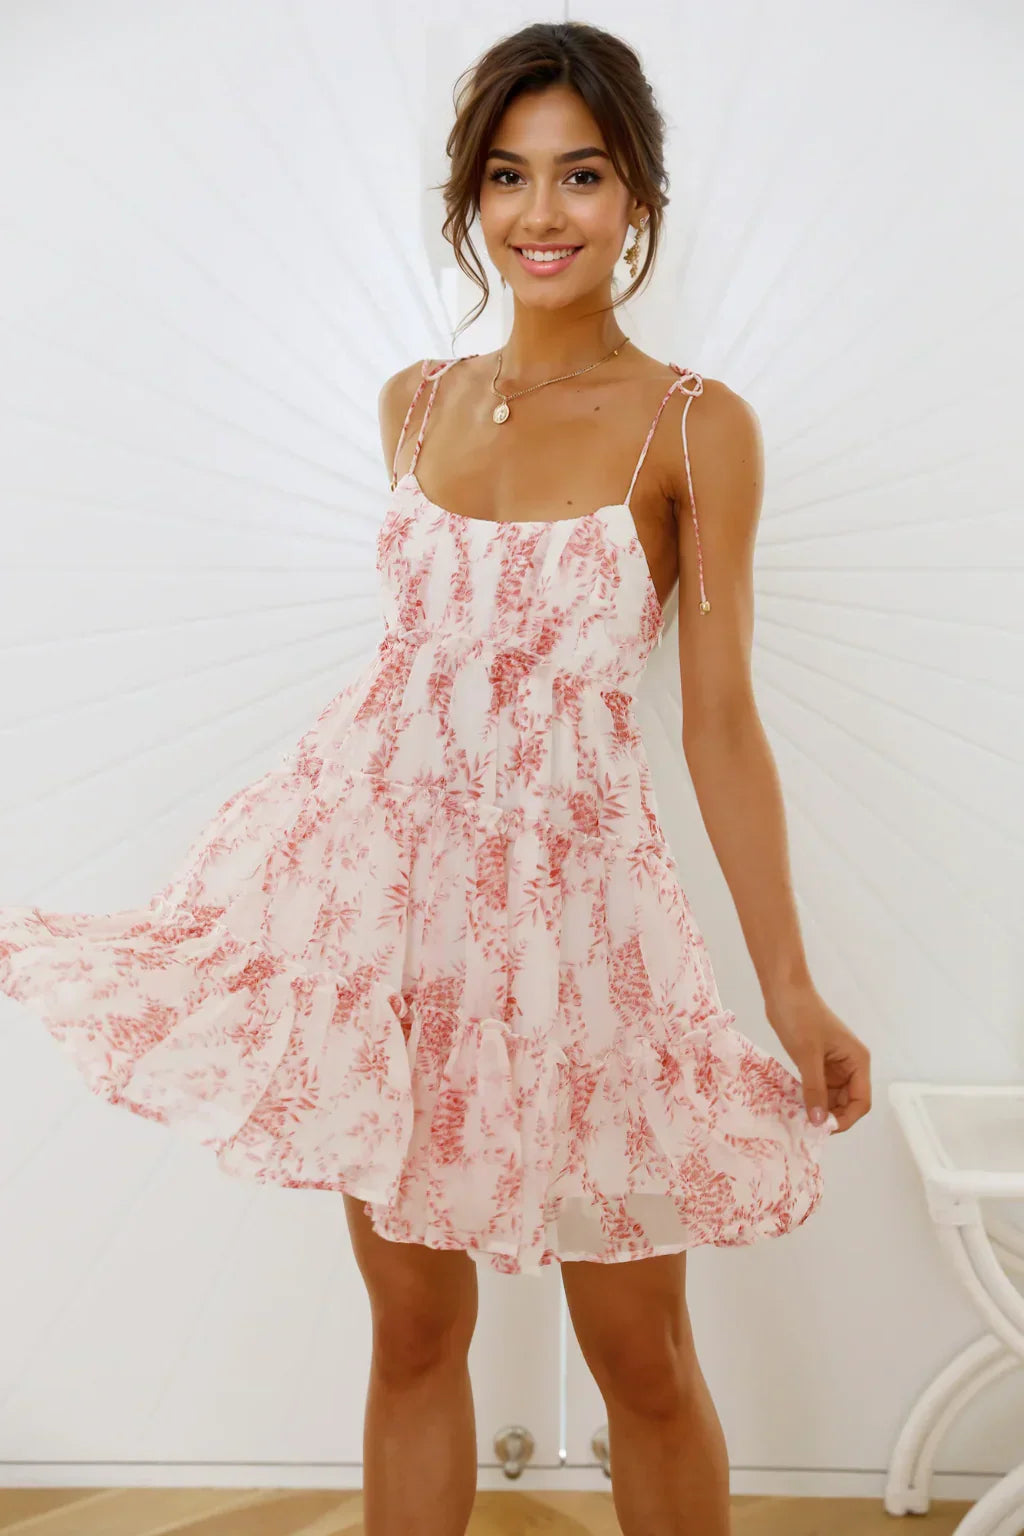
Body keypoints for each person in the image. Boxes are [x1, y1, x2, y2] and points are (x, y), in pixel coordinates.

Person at [0, 20, 871, 1536]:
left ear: (639, 197)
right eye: (508, 175)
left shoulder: (694, 426)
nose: (543, 213)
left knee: (643, 1356)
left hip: (586, 939)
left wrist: (789, 988)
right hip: (391, 928)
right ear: (471, 196)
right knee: (412, 1332)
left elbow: (720, 721)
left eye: (582, 175)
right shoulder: (413, 401)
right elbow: (415, 686)